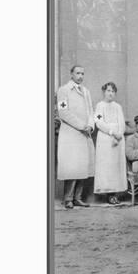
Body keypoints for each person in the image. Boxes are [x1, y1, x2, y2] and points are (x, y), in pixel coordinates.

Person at [56, 65, 95, 209]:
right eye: (78, 73)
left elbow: (91, 111)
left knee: (82, 166)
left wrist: (90, 125)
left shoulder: (86, 91)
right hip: (70, 134)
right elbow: (63, 112)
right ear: (71, 74)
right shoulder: (63, 90)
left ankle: (78, 198)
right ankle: (68, 199)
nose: (80, 76)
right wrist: (81, 125)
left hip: (84, 133)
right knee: (72, 166)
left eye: (82, 74)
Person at [94, 82, 126, 205]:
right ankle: (108, 194)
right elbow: (99, 123)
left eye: (112, 91)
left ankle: (115, 193)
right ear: (104, 92)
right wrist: (112, 132)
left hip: (118, 139)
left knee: (116, 166)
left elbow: (122, 122)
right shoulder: (99, 106)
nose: (110, 93)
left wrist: (119, 134)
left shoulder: (118, 106)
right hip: (105, 138)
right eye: (108, 91)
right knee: (107, 166)